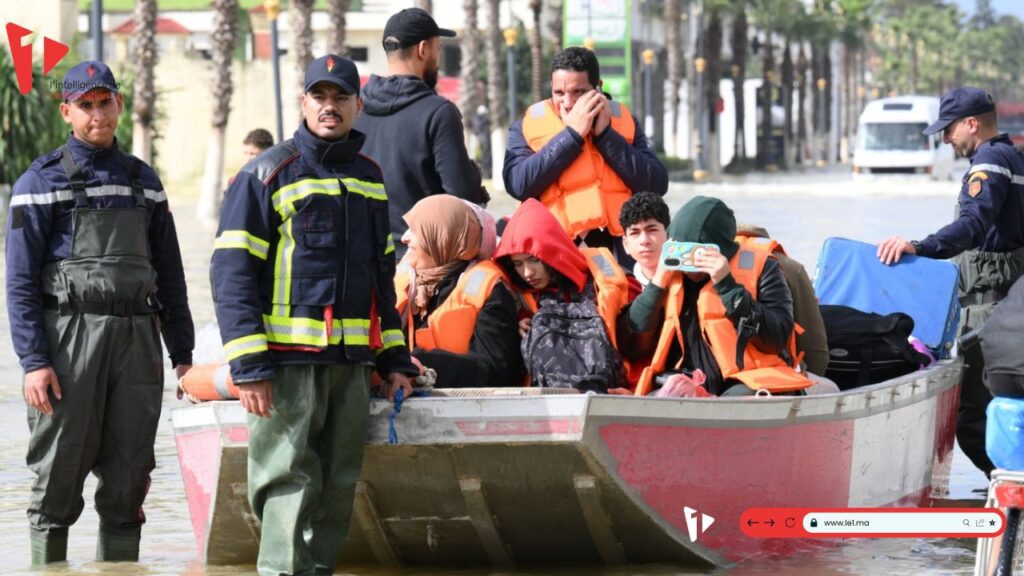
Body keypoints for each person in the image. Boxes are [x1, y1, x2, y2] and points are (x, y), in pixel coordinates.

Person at [211, 54, 417, 576]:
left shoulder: (371, 177)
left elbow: (380, 278)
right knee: (285, 481)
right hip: (285, 365)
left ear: (357, 105)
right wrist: (249, 365)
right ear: (303, 103)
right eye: (320, 97)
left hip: (350, 365)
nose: (330, 107)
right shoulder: (267, 172)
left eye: (341, 97)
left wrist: (394, 357)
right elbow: (232, 273)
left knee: (338, 482)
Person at [5, 60, 194, 564]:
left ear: (119, 104)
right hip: (68, 340)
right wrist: (33, 362)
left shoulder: (145, 181)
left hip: (137, 339)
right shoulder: (37, 182)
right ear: (66, 111)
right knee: (58, 470)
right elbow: (20, 281)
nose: (96, 114)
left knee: (131, 474)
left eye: (104, 102)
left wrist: (184, 354)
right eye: (84, 106)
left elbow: (170, 273)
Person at [877, 86, 1024, 477]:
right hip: (1010, 309)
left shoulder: (990, 162)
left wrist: (918, 246)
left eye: (949, 129)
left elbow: (973, 226)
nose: (945, 138)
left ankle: (1013, 502)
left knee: (972, 421)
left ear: (972, 124)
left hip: (988, 313)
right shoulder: (1015, 158)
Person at [624, 196, 811, 397]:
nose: (691, 265)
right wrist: (657, 284)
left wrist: (727, 286)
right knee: (655, 400)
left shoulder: (763, 267)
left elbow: (777, 338)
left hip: (745, 381)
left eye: (700, 254)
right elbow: (631, 344)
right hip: (687, 379)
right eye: (685, 254)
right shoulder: (669, 273)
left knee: (737, 401)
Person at [503, 46, 668, 267]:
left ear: (598, 88)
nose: (568, 103)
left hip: (617, 250)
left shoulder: (624, 122)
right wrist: (572, 136)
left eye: (578, 92)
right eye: (559, 93)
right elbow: (518, 184)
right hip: (556, 250)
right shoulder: (526, 126)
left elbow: (656, 184)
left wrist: (605, 136)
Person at [355, 7, 487, 260]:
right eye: (438, 50)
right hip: (420, 263)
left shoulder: (355, 107)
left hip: (365, 259)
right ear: (423, 49)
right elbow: (461, 195)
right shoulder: (438, 112)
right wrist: (473, 173)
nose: (437, 58)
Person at [493, 198, 635, 392]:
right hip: (545, 401)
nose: (527, 273)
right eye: (517, 264)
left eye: (533, 260)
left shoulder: (610, 280)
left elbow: (640, 346)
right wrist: (515, 332)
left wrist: (634, 392)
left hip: (614, 392)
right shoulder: (514, 301)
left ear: (552, 252)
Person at [395, 195, 524, 388]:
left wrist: (419, 363)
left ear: (443, 236)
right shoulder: (406, 282)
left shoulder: (491, 291)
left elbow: (497, 372)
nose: (405, 238)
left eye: (415, 230)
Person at [736, 224, 830, 377]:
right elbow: (815, 349)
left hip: (716, 375)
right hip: (773, 377)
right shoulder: (791, 267)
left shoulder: (703, 265)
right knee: (830, 387)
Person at [619, 191, 671, 286]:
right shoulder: (624, 288)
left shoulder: (690, 280)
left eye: (652, 230)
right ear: (625, 244)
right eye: (635, 232)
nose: (644, 240)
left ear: (669, 235)